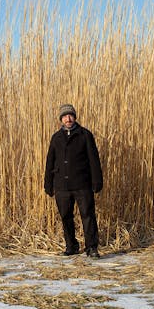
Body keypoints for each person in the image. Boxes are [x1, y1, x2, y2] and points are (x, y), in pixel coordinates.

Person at [44, 104, 103, 258]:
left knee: (88, 215)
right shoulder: (56, 138)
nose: (68, 118)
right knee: (65, 216)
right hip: (62, 186)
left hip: (82, 183)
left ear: (74, 117)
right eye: (65, 116)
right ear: (61, 119)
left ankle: (91, 247)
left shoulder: (85, 135)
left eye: (70, 115)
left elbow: (94, 160)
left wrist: (97, 181)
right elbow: (50, 161)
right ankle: (71, 246)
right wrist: (48, 183)